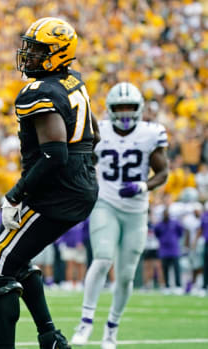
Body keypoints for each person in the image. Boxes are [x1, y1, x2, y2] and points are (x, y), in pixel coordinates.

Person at [0, 17, 99, 349]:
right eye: (29, 48)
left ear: (58, 54)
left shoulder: (40, 91)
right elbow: (94, 134)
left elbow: (54, 154)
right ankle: (49, 336)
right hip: (77, 187)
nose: (28, 56)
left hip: (57, 192)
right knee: (11, 252)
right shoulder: (72, 82)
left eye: (37, 51)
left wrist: (15, 194)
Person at [70, 82, 169, 349]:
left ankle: (111, 329)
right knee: (102, 259)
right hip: (106, 204)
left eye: (129, 108)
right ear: (110, 110)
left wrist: (143, 185)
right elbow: (86, 161)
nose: (124, 113)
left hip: (137, 210)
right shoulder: (99, 131)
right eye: (119, 108)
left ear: (139, 109)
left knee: (126, 275)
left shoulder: (152, 133)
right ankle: (86, 322)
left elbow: (163, 172)